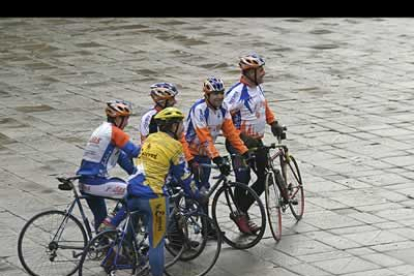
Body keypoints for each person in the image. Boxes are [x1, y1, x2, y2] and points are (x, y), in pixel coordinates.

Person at [126, 107, 204, 276]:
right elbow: (183, 177)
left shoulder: (149, 138)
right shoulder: (175, 146)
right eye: (181, 124)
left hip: (132, 190)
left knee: (130, 229)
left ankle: (114, 256)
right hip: (154, 197)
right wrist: (198, 195)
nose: (183, 127)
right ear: (173, 126)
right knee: (156, 244)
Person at [224, 53, 285, 233]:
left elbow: (263, 107)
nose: (264, 73)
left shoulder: (258, 88)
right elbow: (223, 120)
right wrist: (240, 137)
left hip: (256, 142)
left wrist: (273, 123)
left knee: (265, 176)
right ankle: (242, 216)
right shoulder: (236, 94)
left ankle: (240, 211)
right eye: (260, 70)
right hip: (238, 145)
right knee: (242, 180)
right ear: (250, 72)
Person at [185, 77, 252, 234]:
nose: (220, 97)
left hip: (205, 155)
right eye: (215, 94)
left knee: (204, 192)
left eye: (221, 93)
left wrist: (244, 151)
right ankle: (179, 227)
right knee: (192, 191)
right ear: (207, 95)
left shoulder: (224, 108)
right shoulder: (199, 109)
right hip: (189, 155)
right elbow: (204, 137)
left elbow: (231, 133)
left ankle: (206, 227)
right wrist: (216, 157)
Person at [76, 100, 141, 232]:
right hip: (96, 182)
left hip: (85, 183)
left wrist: (135, 172)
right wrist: (154, 144)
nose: (127, 123)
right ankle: (112, 223)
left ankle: (103, 249)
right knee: (136, 194)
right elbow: (134, 152)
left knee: (100, 217)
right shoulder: (115, 132)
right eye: (126, 119)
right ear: (118, 118)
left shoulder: (101, 129)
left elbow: (121, 157)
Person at [140, 82, 194, 162]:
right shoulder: (148, 117)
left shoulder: (174, 115)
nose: (175, 102)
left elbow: (181, 139)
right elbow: (145, 143)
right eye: (172, 99)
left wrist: (189, 159)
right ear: (162, 101)